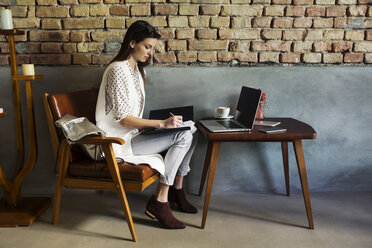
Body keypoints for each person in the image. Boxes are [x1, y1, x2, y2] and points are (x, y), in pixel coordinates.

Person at [95, 20, 198, 229]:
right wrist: (161, 123)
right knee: (184, 135)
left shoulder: (138, 71)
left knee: (191, 128)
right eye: (147, 47)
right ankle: (161, 201)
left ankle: (177, 189)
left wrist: (154, 125)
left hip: (133, 135)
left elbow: (131, 115)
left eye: (152, 48)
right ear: (132, 43)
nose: (150, 52)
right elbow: (123, 119)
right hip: (117, 143)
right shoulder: (117, 70)